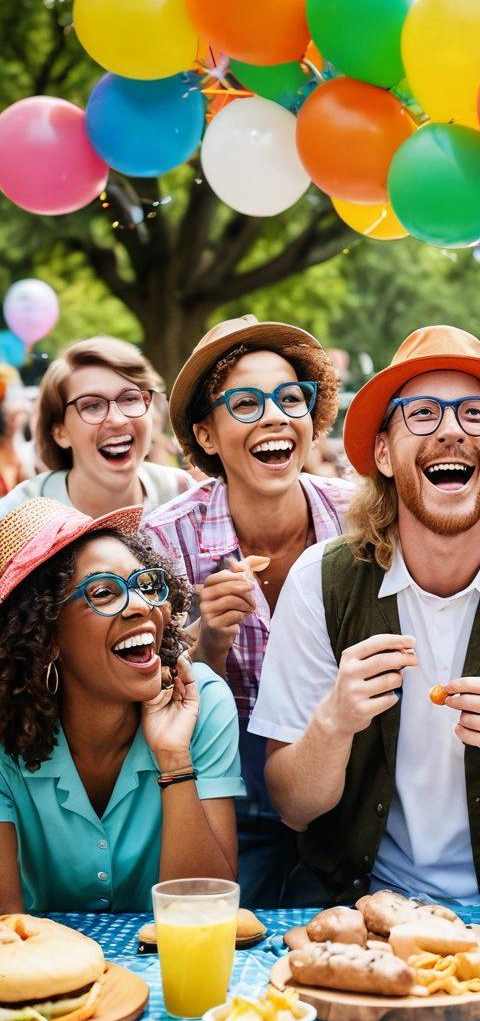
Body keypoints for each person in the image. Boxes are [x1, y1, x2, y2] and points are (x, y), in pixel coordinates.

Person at [249, 325, 480, 907]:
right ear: (383, 453)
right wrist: (334, 721)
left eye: (476, 414)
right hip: (354, 914)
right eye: (422, 413)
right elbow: (294, 808)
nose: (452, 430)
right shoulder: (318, 580)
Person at [144, 315, 353, 907]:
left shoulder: (362, 519)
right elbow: (147, 692)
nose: (275, 416)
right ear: (206, 436)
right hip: (230, 797)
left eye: (291, 398)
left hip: (349, 790)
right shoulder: (165, 538)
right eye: (245, 403)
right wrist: (207, 639)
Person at [0, 498, 245, 913]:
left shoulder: (201, 701)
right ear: (45, 634)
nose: (140, 606)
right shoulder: (5, 729)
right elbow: (7, 932)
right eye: (103, 593)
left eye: (145, 585)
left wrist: (173, 757)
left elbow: (204, 913)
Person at [0, 338, 193, 519]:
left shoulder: (183, 496)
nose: (117, 420)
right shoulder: (18, 514)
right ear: (60, 432)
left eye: (129, 399)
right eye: (92, 405)